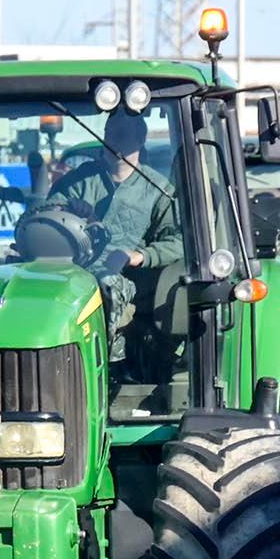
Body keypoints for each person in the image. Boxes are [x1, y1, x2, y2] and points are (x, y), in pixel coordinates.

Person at [38, 110, 181, 371]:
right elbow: (45, 215)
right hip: (72, 272)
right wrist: (68, 210)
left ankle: (107, 370)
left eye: (122, 135)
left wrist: (138, 256)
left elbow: (178, 241)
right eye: (109, 134)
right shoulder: (79, 182)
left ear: (141, 139)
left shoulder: (159, 191)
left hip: (129, 280)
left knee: (106, 286)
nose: (113, 141)